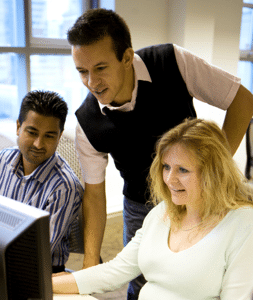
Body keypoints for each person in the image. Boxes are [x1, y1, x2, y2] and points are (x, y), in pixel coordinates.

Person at [67, 8, 253, 299]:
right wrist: (90, 264)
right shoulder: (86, 122)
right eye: (82, 71)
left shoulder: (172, 62)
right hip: (142, 207)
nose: (91, 82)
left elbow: (242, 99)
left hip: (204, 196)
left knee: (208, 275)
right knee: (140, 280)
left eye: (100, 68)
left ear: (127, 57)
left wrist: (214, 169)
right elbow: (94, 194)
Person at [52, 118, 253, 299]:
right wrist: (46, 283)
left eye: (182, 170)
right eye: (166, 167)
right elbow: (115, 272)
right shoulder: (162, 212)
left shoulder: (243, 223)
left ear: (213, 173)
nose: (169, 179)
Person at [0, 90, 83, 273]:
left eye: (49, 136)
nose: (38, 144)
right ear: (18, 127)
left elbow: (37, 252)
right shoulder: (2, 160)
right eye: (32, 132)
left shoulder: (64, 186)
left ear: (59, 137)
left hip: (38, 271)